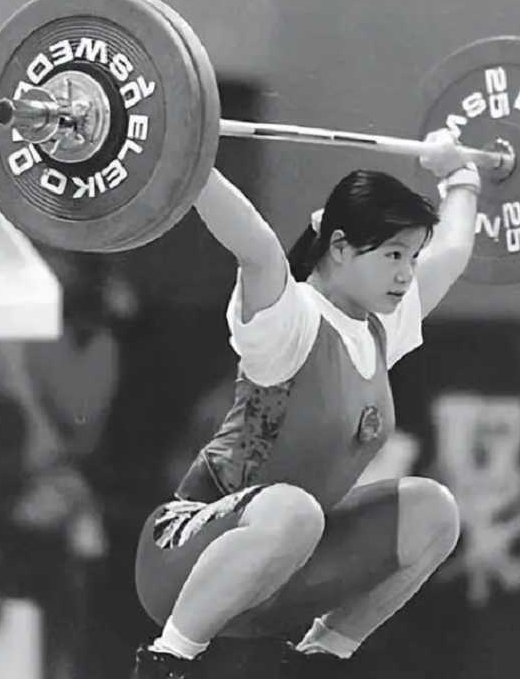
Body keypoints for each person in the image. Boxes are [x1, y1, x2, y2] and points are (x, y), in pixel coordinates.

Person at [133, 129, 481, 678]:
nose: (406, 272)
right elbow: (255, 247)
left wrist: (461, 176)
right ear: (338, 247)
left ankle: (315, 660)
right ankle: (166, 659)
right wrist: (185, 151)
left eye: (412, 256)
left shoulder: (380, 326)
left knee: (432, 510)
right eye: (393, 254)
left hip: (281, 573)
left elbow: (454, 251)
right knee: (295, 510)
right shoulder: (291, 321)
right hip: (183, 558)